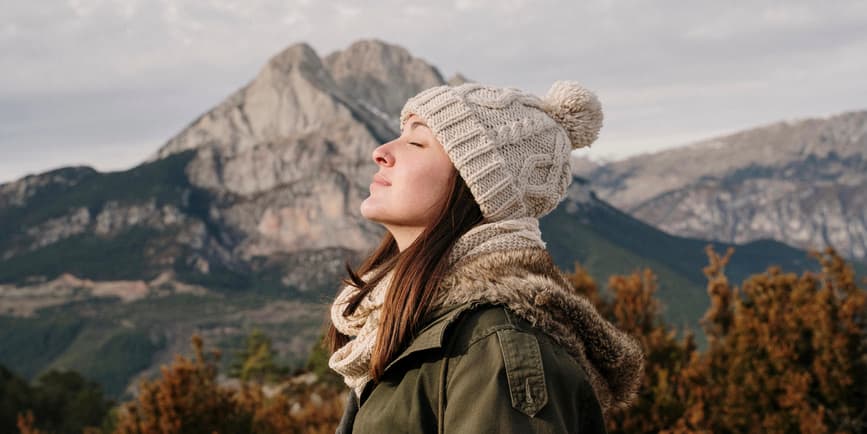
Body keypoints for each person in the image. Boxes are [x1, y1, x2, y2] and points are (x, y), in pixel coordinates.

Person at [325, 80, 644, 433]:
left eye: (416, 141)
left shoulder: (495, 346)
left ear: (477, 185)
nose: (381, 151)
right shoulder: (410, 327)